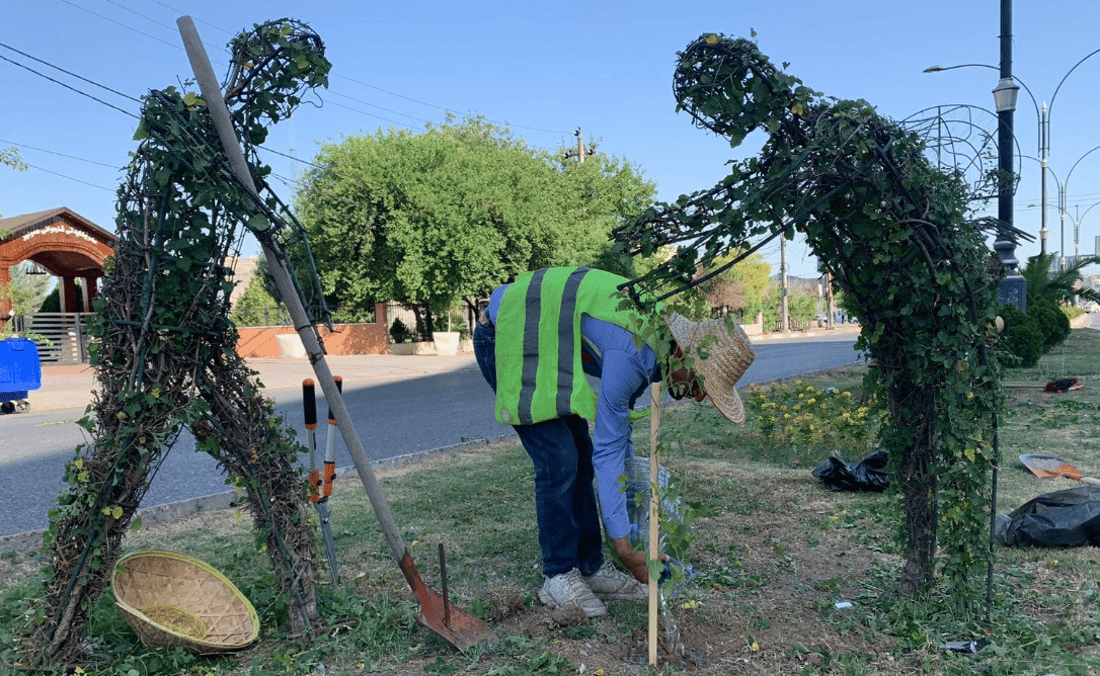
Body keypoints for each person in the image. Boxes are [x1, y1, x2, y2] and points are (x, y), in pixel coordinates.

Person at [473, 266, 754, 618]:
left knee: (581, 453)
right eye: (702, 384)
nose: (698, 397)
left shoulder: (654, 342)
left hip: (544, 345)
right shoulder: (634, 353)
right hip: (507, 335)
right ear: (685, 355)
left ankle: (590, 568)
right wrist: (626, 550)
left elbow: (617, 436)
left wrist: (631, 496)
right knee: (558, 456)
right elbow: (610, 449)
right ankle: (558, 574)